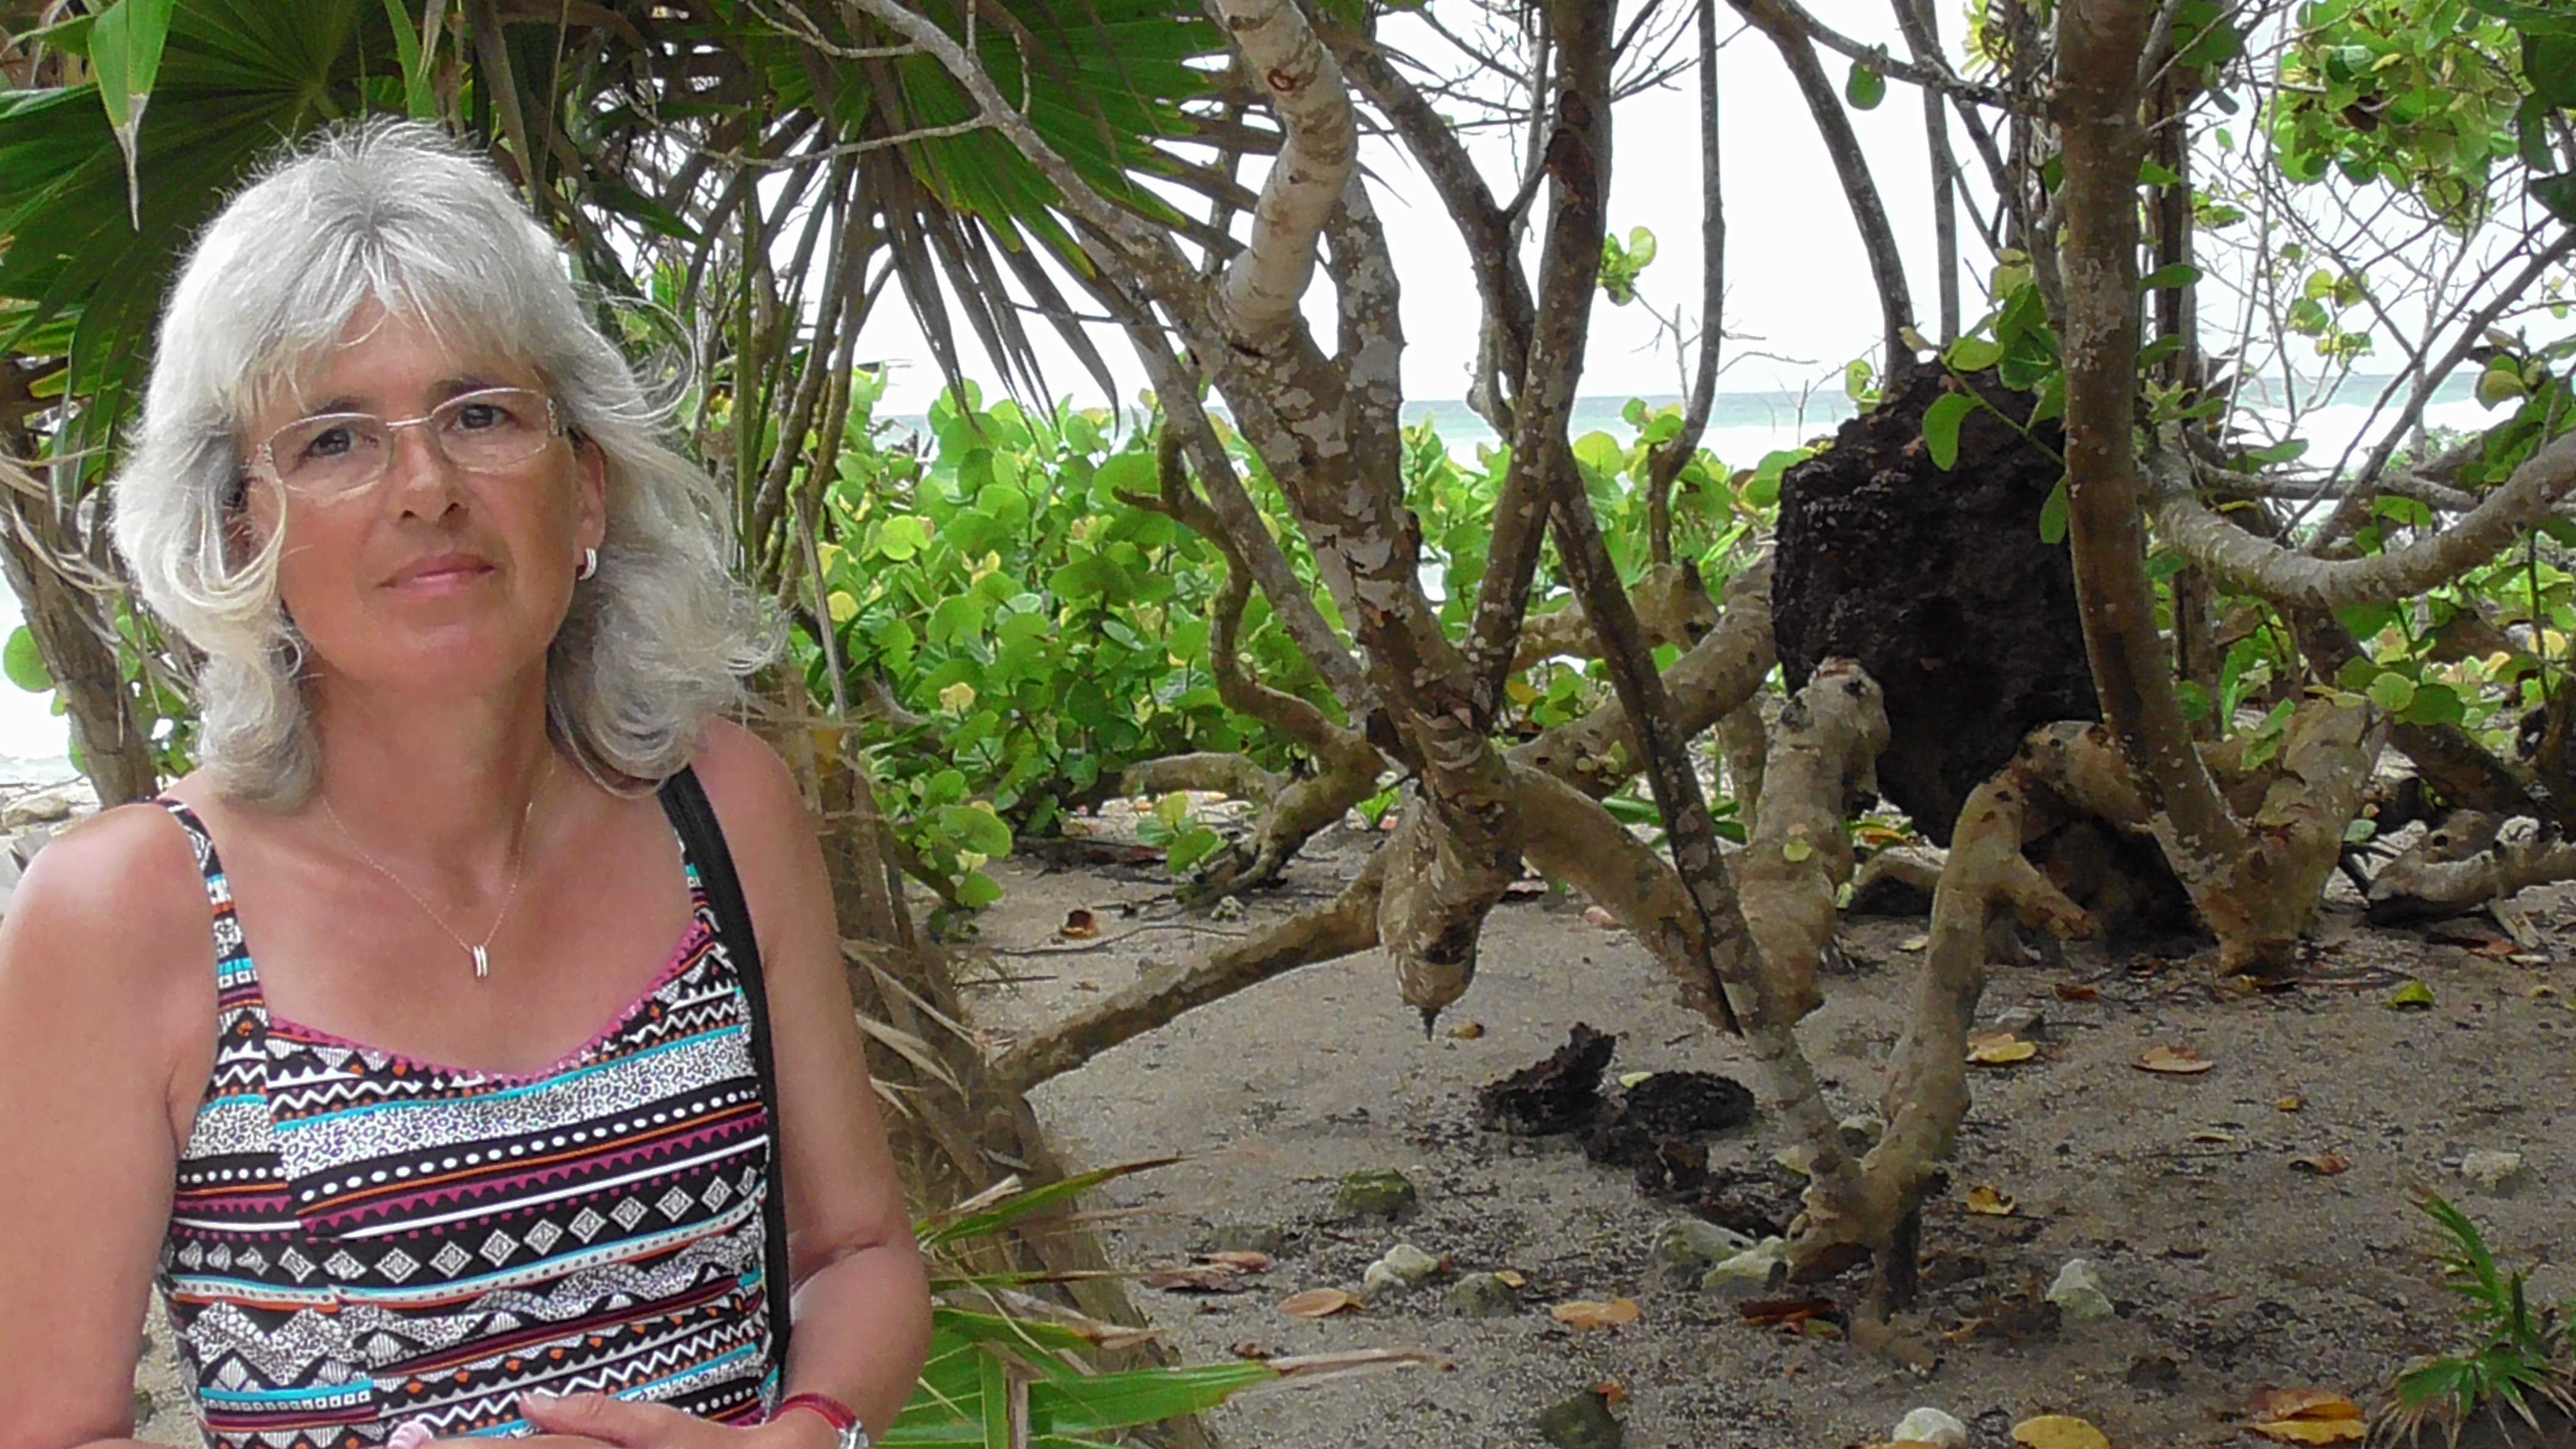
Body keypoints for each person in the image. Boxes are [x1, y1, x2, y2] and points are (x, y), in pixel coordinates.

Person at [0, 121, 932, 1448]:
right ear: (239, 530)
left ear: (587, 488)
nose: (426, 487)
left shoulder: (719, 810)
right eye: (335, 440)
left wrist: (810, 1433)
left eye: (481, 414)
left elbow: (858, 1253)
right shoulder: (131, 911)